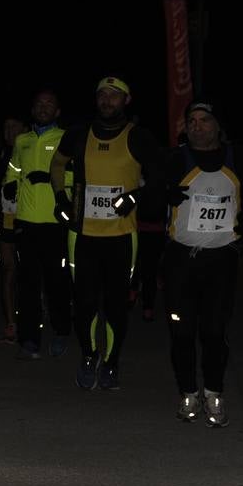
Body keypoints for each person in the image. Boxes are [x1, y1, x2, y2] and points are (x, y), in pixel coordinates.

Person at [49, 77, 163, 390]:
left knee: (116, 305)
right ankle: (88, 356)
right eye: (102, 95)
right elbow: (56, 165)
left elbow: (158, 178)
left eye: (114, 96)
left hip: (122, 236)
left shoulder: (138, 136)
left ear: (126, 100)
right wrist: (61, 199)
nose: (107, 101)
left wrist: (134, 197)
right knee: (83, 303)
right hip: (82, 236)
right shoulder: (78, 133)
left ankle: (111, 363)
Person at [161, 101, 243, 426]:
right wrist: (165, 194)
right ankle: (188, 393)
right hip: (180, 261)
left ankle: (214, 393)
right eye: (191, 121)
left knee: (214, 331)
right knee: (182, 332)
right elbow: (147, 197)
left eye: (204, 120)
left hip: (221, 260)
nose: (197, 126)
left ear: (217, 126)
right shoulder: (174, 159)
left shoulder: (238, 158)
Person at [5, 90, 73, 359]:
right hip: (26, 222)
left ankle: (61, 332)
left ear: (57, 112)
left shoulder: (65, 138)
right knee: (28, 283)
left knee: (57, 282)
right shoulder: (22, 140)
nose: (44, 107)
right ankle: (29, 337)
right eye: (39, 104)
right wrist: (9, 186)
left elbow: (73, 174)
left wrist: (47, 178)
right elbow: (13, 170)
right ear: (33, 110)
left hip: (55, 221)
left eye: (49, 104)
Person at [0, 116, 23, 344]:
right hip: (6, 222)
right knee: (8, 271)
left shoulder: (30, 149)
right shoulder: (1, 154)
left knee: (31, 273)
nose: (9, 130)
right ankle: (11, 324)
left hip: (31, 220)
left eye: (13, 125)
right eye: (6, 126)